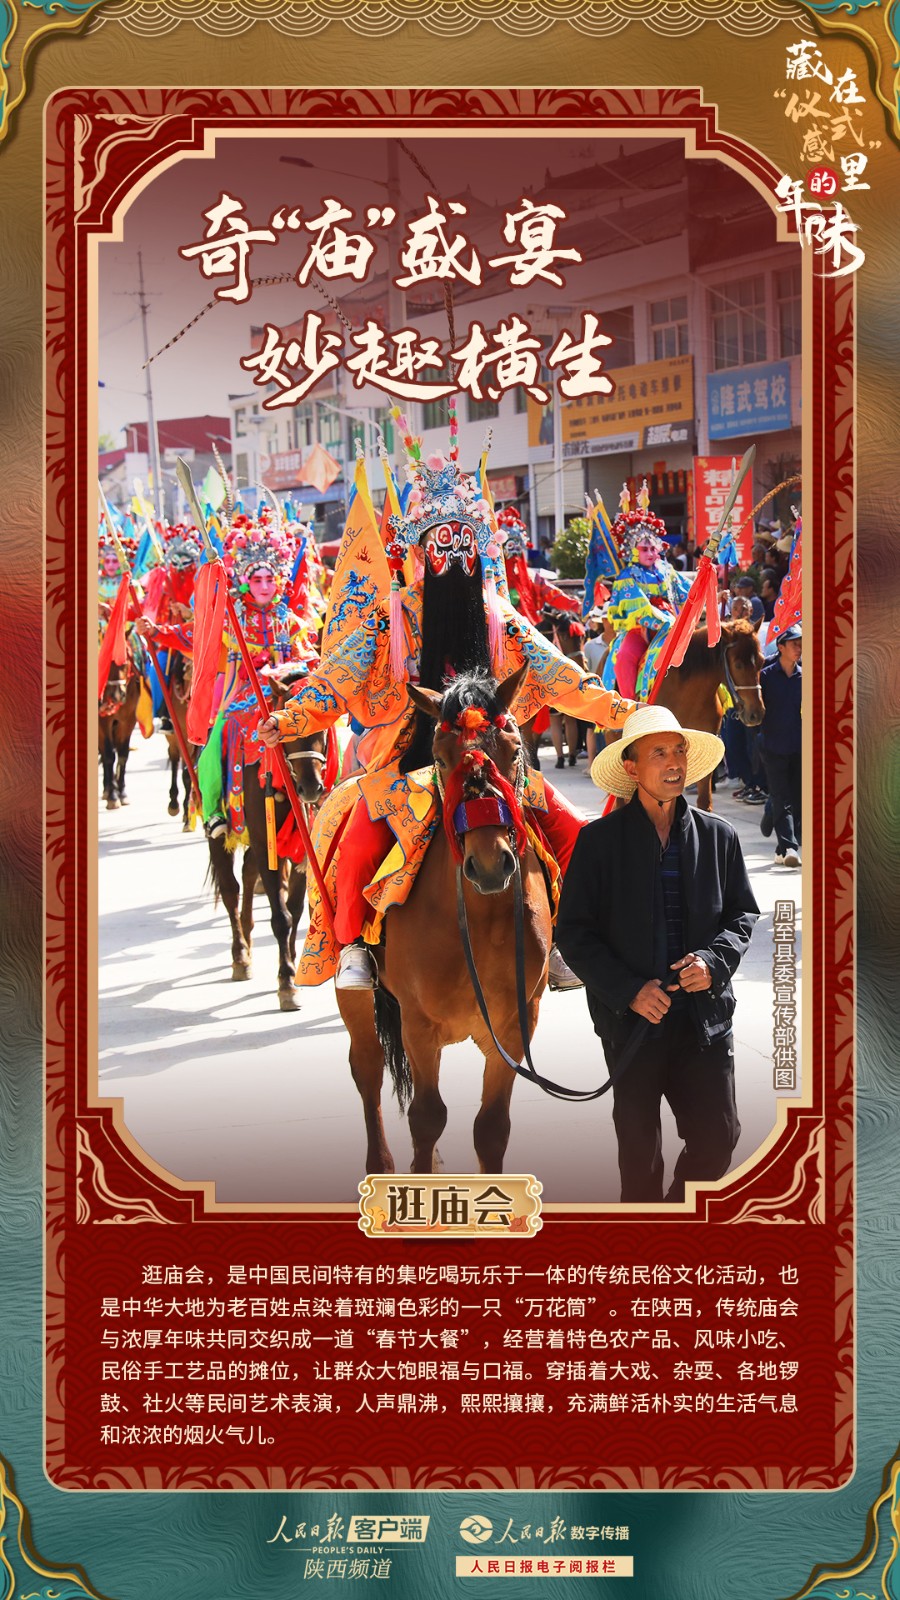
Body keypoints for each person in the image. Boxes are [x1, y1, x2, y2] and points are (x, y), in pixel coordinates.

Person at [258, 439, 635, 990]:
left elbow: (559, 674)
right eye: (442, 545)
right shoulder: (393, 616)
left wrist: (622, 710)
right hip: (412, 759)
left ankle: (564, 938)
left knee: (578, 834)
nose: (454, 559)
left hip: (495, 760)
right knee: (355, 843)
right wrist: (291, 719)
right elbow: (338, 675)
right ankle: (355, 947)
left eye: (464, 545)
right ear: (420, 551)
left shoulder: (496, 614)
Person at [555, 706, 759, 1203]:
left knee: (719, 1139)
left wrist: (712, 963)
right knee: (640, 1159)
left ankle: (673, 1222)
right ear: (631, 767)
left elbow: (742, 915)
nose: (674, 763)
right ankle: (651, 1238)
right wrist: (630, 991)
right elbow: (574, 933)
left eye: (680, 751)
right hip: (632, 1026)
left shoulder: (719, 836)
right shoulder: (598, 842)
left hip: (703, 1021)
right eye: (660, 753)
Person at [603, 482, 693, 700]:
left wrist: (711, 593)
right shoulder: (627, 577)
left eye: (653, 548)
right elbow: (640, 607)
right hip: (641, 630)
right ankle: (630, 707)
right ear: (632, 551)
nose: (651, 553)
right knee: (624, 658)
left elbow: (688, 593)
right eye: (644, 549)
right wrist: (663, 621)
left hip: (672, 624)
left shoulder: (667, 570)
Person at [759, 622, 802, 868]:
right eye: (794, 643)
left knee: (797, 798)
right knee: (782, 797)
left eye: (801, 644)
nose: (799, 648)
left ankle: (772, 818)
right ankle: (789, 847)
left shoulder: (805, 677)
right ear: (781, 647)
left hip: (799, 747)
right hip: (772, 746)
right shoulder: (764, 677)